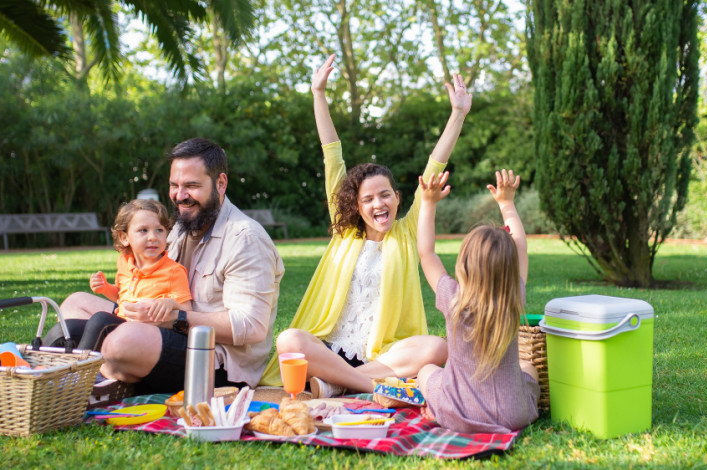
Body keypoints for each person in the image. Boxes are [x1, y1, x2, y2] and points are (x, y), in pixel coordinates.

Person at [259, 53, 472, 397]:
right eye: (368, 199)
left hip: (382, 356)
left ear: (398, 198)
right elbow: (332, 154)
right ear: (356, 206)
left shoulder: (407, 233)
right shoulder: (345, 230)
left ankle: (333, 385)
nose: (378, 204)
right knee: (289, 340)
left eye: (385, 195)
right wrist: (318, 94)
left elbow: (434, 166)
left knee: (437, 347)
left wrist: (458, 114)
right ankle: (369, 386)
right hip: (329, 348)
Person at [56, 138, 285, 394]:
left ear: (220, 184)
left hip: (215, 362)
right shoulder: (180, 228)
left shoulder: (245, 238)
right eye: (174, 185)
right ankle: (42, 375)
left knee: (120, 342)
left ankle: (85, 385)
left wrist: (175, 318)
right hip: (161, 330)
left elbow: (252, 327)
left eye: (191, 186)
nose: (180, 195)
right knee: (75, 304)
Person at [415, 169, 540, 433]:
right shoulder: (513, 295)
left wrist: (428, 204)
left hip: (458, 412)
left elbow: (426, 254)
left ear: (464, 264)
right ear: (510, 268)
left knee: (426, 371)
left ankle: (434, 409)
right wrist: (506, 203)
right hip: (512, 414)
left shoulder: (453, 299)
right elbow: (521, 248)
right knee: (528, 367)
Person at [42, 199, 193, 351]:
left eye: (159, 230)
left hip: (147, 335)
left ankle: (79, 368)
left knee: (100, 320)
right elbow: (122, 296)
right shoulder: (124, 262)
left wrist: (170, 304)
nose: (153, 237)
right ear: (124, 237)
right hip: (121, 323)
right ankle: (38, 359)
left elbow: (188, 311)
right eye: (143, 230)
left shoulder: (173, 271)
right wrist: (105, 288)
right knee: (69, 326)